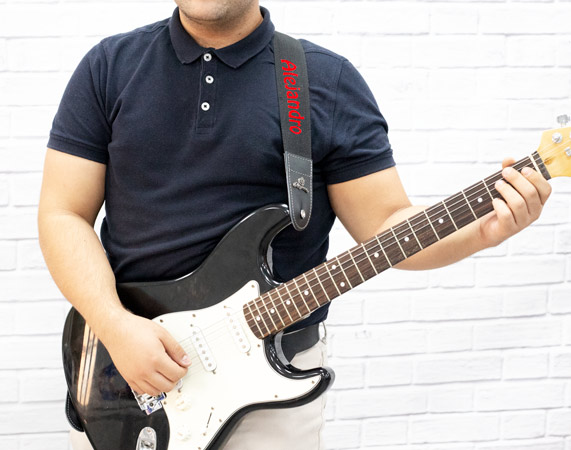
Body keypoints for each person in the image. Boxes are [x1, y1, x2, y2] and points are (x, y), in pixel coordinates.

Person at [37, 1, 552, 449]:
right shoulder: (110, 66)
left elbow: (387, 225)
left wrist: (484, 232)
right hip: (123, 373)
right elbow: (63, 213)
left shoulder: (323, 80)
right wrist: (116, 327)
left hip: (269, 393)